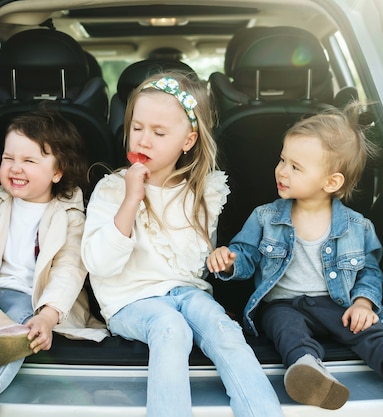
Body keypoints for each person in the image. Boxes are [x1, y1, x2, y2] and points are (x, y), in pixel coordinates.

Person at [207, 103, 383, 416]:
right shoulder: (265, 217)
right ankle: (309, 372)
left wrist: (363, 303)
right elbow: (248, 254)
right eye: (282, 159)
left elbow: (369, 272)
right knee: (286, 328)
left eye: (296, 167)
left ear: (331, 182)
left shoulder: (357, 226)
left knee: (370, 330)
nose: (282, 170)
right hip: (281, 305)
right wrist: (230, 260)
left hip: (335, 304)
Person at [81, 72, 284, 417]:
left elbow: (196, 264)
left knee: (225, 331)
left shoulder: (203, 192)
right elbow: (99, 264)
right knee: (170, 327)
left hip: (188, 293)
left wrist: (220, 264)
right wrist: (132, 200)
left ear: (187, 141)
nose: (144, 140)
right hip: (129, 300)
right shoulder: (112, 189)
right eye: (137, 128)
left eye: (159, 133)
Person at [0, 109, 108, 417]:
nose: (15, 168)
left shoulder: (71, 217)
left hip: (36, 301)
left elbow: (70, 271)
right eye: (7, 158)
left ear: (58, 171)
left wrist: (47, 318)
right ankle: (7, 332)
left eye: (29, 161)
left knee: (26, 320)